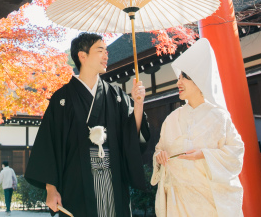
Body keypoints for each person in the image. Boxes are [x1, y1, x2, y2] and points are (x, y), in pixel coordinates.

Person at [26, 32, 150, 217]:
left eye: (106, 50)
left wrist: (138, 104)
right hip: (77, 182)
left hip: (113, 179)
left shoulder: (116, 95)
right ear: (82, 56)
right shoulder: (62, 99)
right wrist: (51, 189)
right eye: (100, 50)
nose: (106, 54)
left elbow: (131, 135)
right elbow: (49, 145)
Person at [151, 38, 244, 217]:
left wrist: (205, 155)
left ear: (199, 79)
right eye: (178, 77)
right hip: (178, 199)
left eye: (184, 77)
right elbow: (159, 150)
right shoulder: (171, 119)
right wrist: (159, 157)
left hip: (208, 200)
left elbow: (236, 151)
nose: (179, 82)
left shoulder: (219, 116)